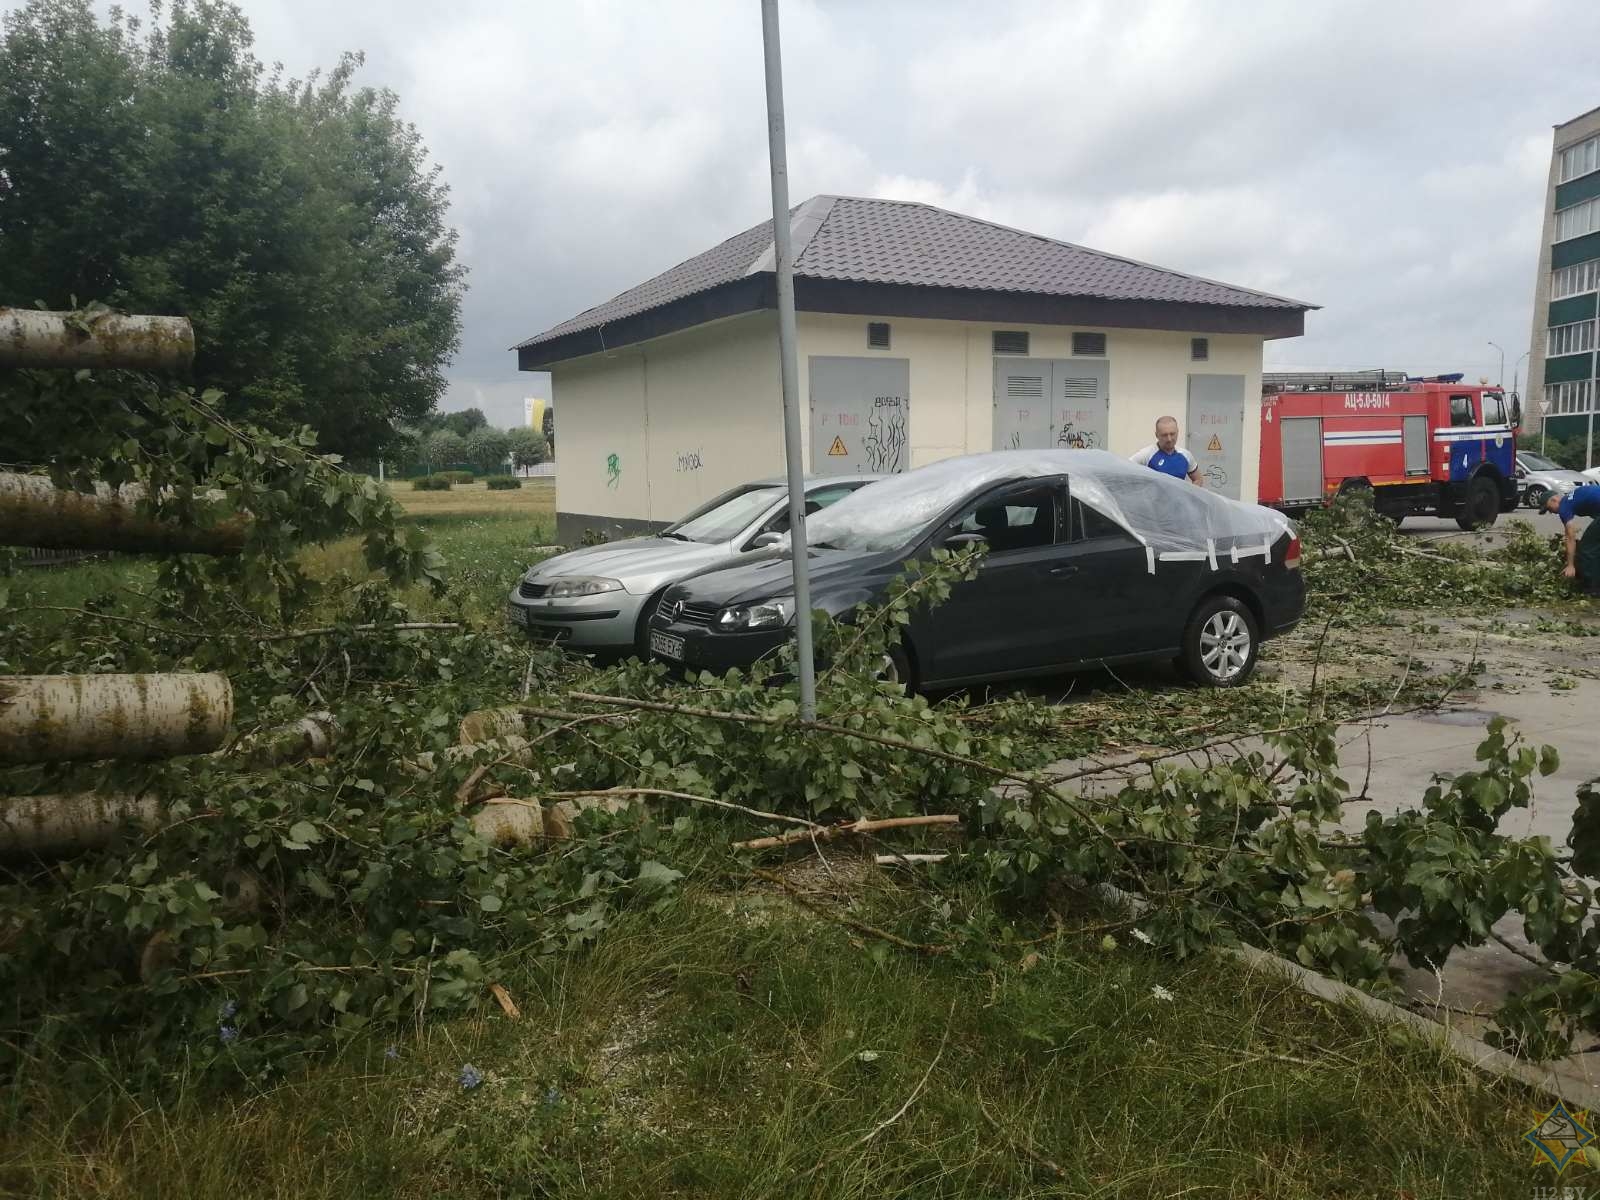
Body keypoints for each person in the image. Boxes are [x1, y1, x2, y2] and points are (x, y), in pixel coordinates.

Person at [1546, 483, 1600, 596]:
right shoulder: (1571, 498)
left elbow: (1570, 536)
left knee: (1586, 548)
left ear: (1554, 499)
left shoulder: (1564, 506)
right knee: (1595, 545)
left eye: (1548, 508)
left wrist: (1570, 565)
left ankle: (1592, 588)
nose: (1550, 512)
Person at [1130, 416, 1203, 486]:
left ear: (1177, 432)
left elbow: (1198, 479)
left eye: (1172, 434)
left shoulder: (1186, 455)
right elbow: (1124, 472)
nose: (1169, 439)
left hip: (1179, 499)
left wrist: (1188, 496)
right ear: (1156, 435)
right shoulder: (1145, 455)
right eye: (1164, 435)